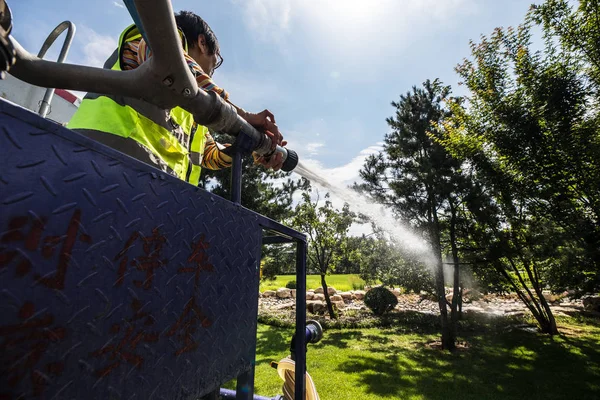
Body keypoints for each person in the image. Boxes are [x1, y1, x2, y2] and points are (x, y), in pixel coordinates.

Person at [67, 10, 285, 186]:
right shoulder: (148, 40)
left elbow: (210, 155)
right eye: (215, 61)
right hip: (95, 165)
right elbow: (176, 67)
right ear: (202, 42)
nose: (213, 71)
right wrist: (243, 116)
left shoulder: (196, 105)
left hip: (154, 192)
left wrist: (250, 145)